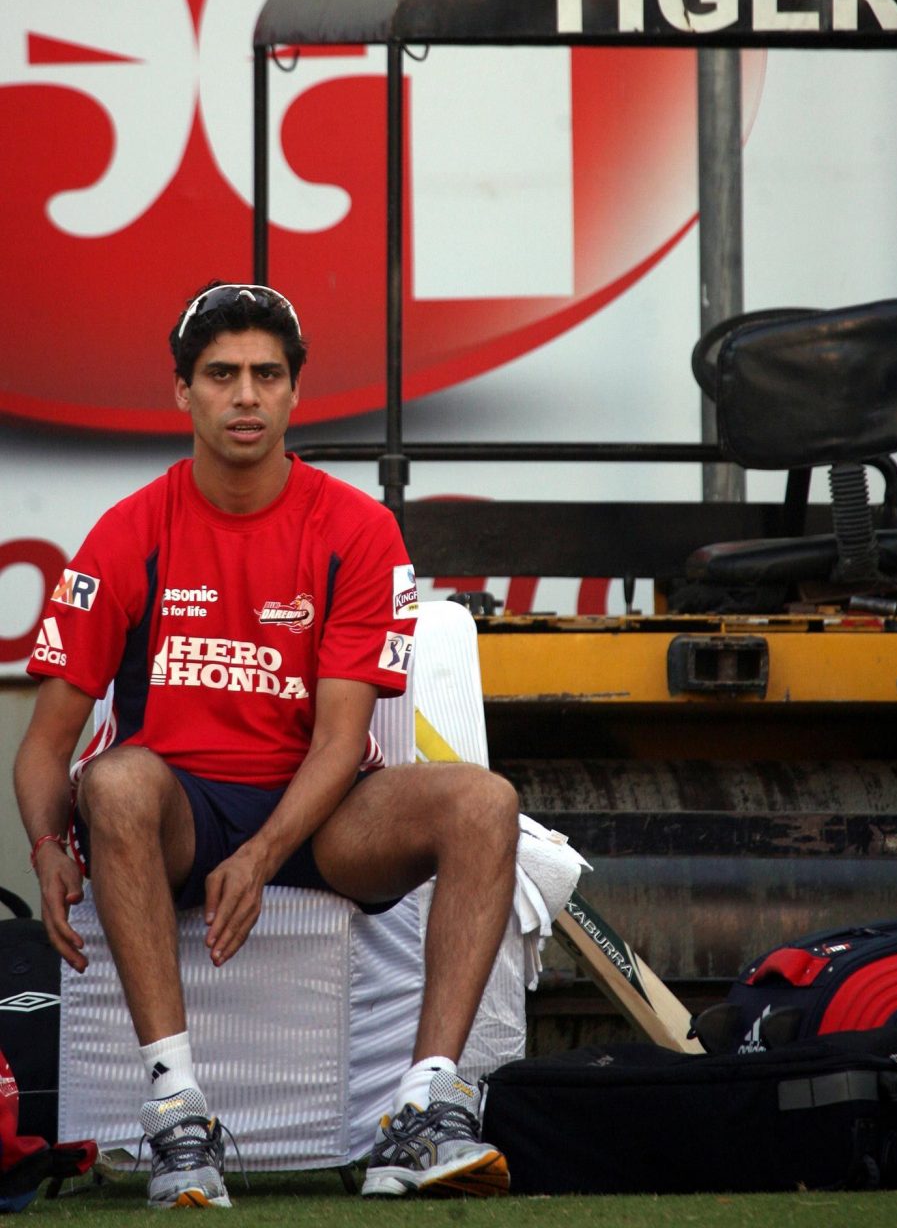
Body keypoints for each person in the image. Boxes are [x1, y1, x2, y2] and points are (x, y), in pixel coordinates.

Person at [14, 282, 519, 1207]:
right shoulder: (127, 531)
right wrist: (47, 846)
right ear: (182, 392)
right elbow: (47, 745)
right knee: (116, 782)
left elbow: (342, 739)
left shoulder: (359, 528)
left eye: (266, 375)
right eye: (221, 375)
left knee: (485, 800)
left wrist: (263, 853)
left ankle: (426, 1109)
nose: (245, 395)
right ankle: (176, 1115)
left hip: (322, 814)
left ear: (294, 394)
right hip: (178, 813)